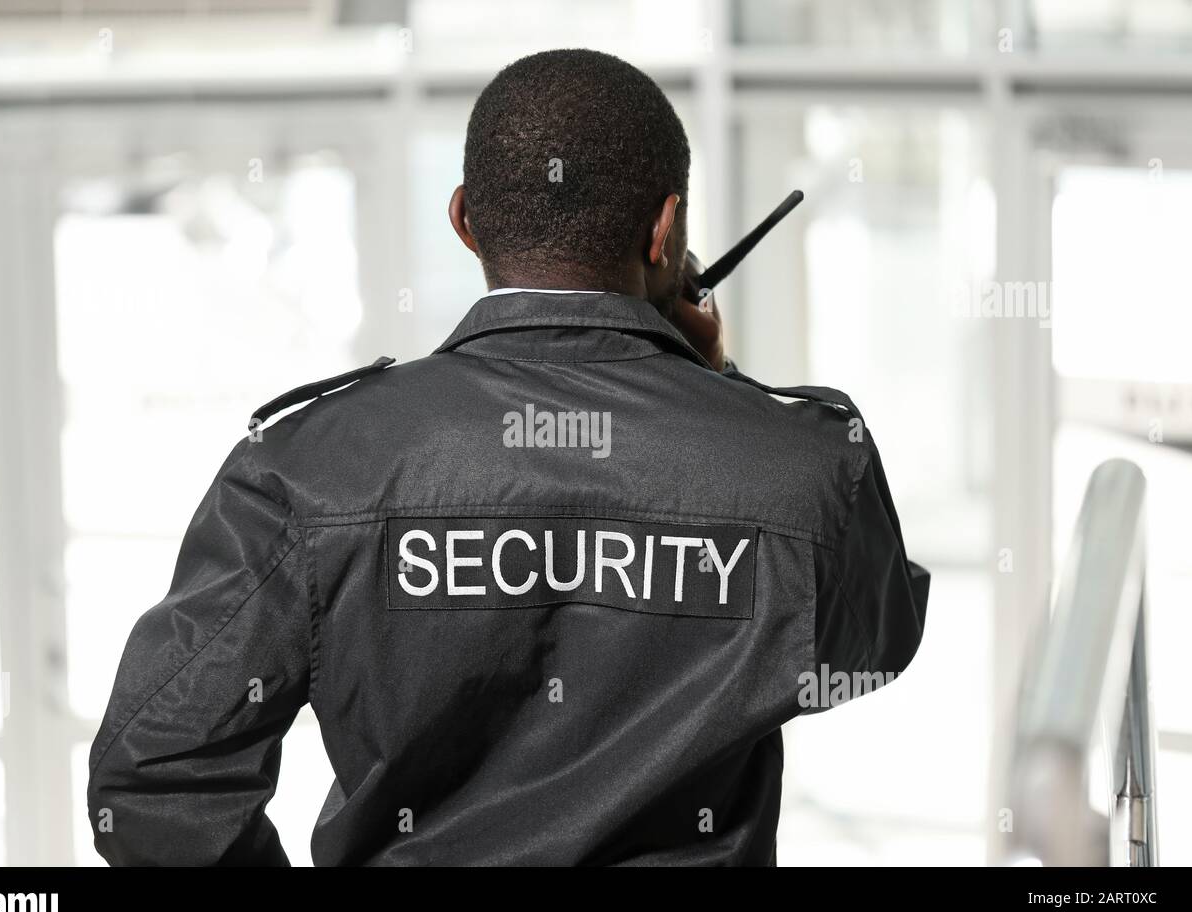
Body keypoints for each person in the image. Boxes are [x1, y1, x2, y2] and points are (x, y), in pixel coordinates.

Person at [86, 48, 929, 866]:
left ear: (463, 219)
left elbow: (153, 784)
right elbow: (870, 648)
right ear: (666, 228)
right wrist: (719, 388)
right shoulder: (802, 465)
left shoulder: (308, 469)